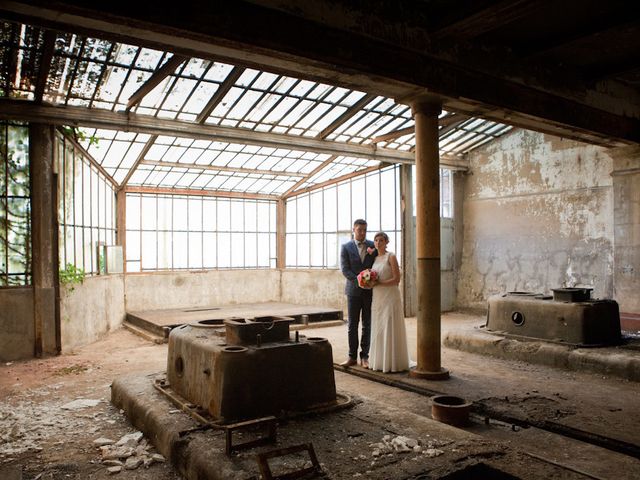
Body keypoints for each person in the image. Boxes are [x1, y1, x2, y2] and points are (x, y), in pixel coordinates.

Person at [368, 232, 410, 373]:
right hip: (377, 296)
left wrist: (379, 282)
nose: (378, 242)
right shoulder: (374, 258)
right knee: (378, 325)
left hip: (390, 295)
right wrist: (368, 282)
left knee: (390, 325)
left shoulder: (390, 256)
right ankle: (380, 361)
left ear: (387, 242)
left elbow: (396, 279)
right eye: (376, 240)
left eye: (381, 240)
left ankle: (392, 362)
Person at [339, 219, 377, 368]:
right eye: (359, 229)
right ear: (353, 229)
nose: (362, 232)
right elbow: (345, 269)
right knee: (352, 325)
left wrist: (371, 280)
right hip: (353, 291)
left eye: (364, 230)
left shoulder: (372, 246)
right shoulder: (346, 247)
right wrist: (359, 281)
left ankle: (365, 357)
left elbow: (376, 267)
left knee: (367, 324)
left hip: (369, 292)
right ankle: (351, 356)